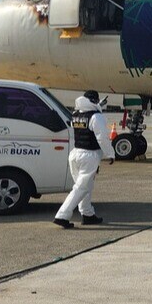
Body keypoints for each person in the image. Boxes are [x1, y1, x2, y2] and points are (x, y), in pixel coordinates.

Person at [53, 90, 115, 229]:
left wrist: (99, 106)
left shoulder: (76, 114)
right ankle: (62, 215)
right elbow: (102, 137)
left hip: (75, 154)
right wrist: (110, 153)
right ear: (94, 101)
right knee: (81, 188)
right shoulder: (96, 116)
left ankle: (87, 214)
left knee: (85, 187)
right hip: (89, 155)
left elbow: (86, 119)